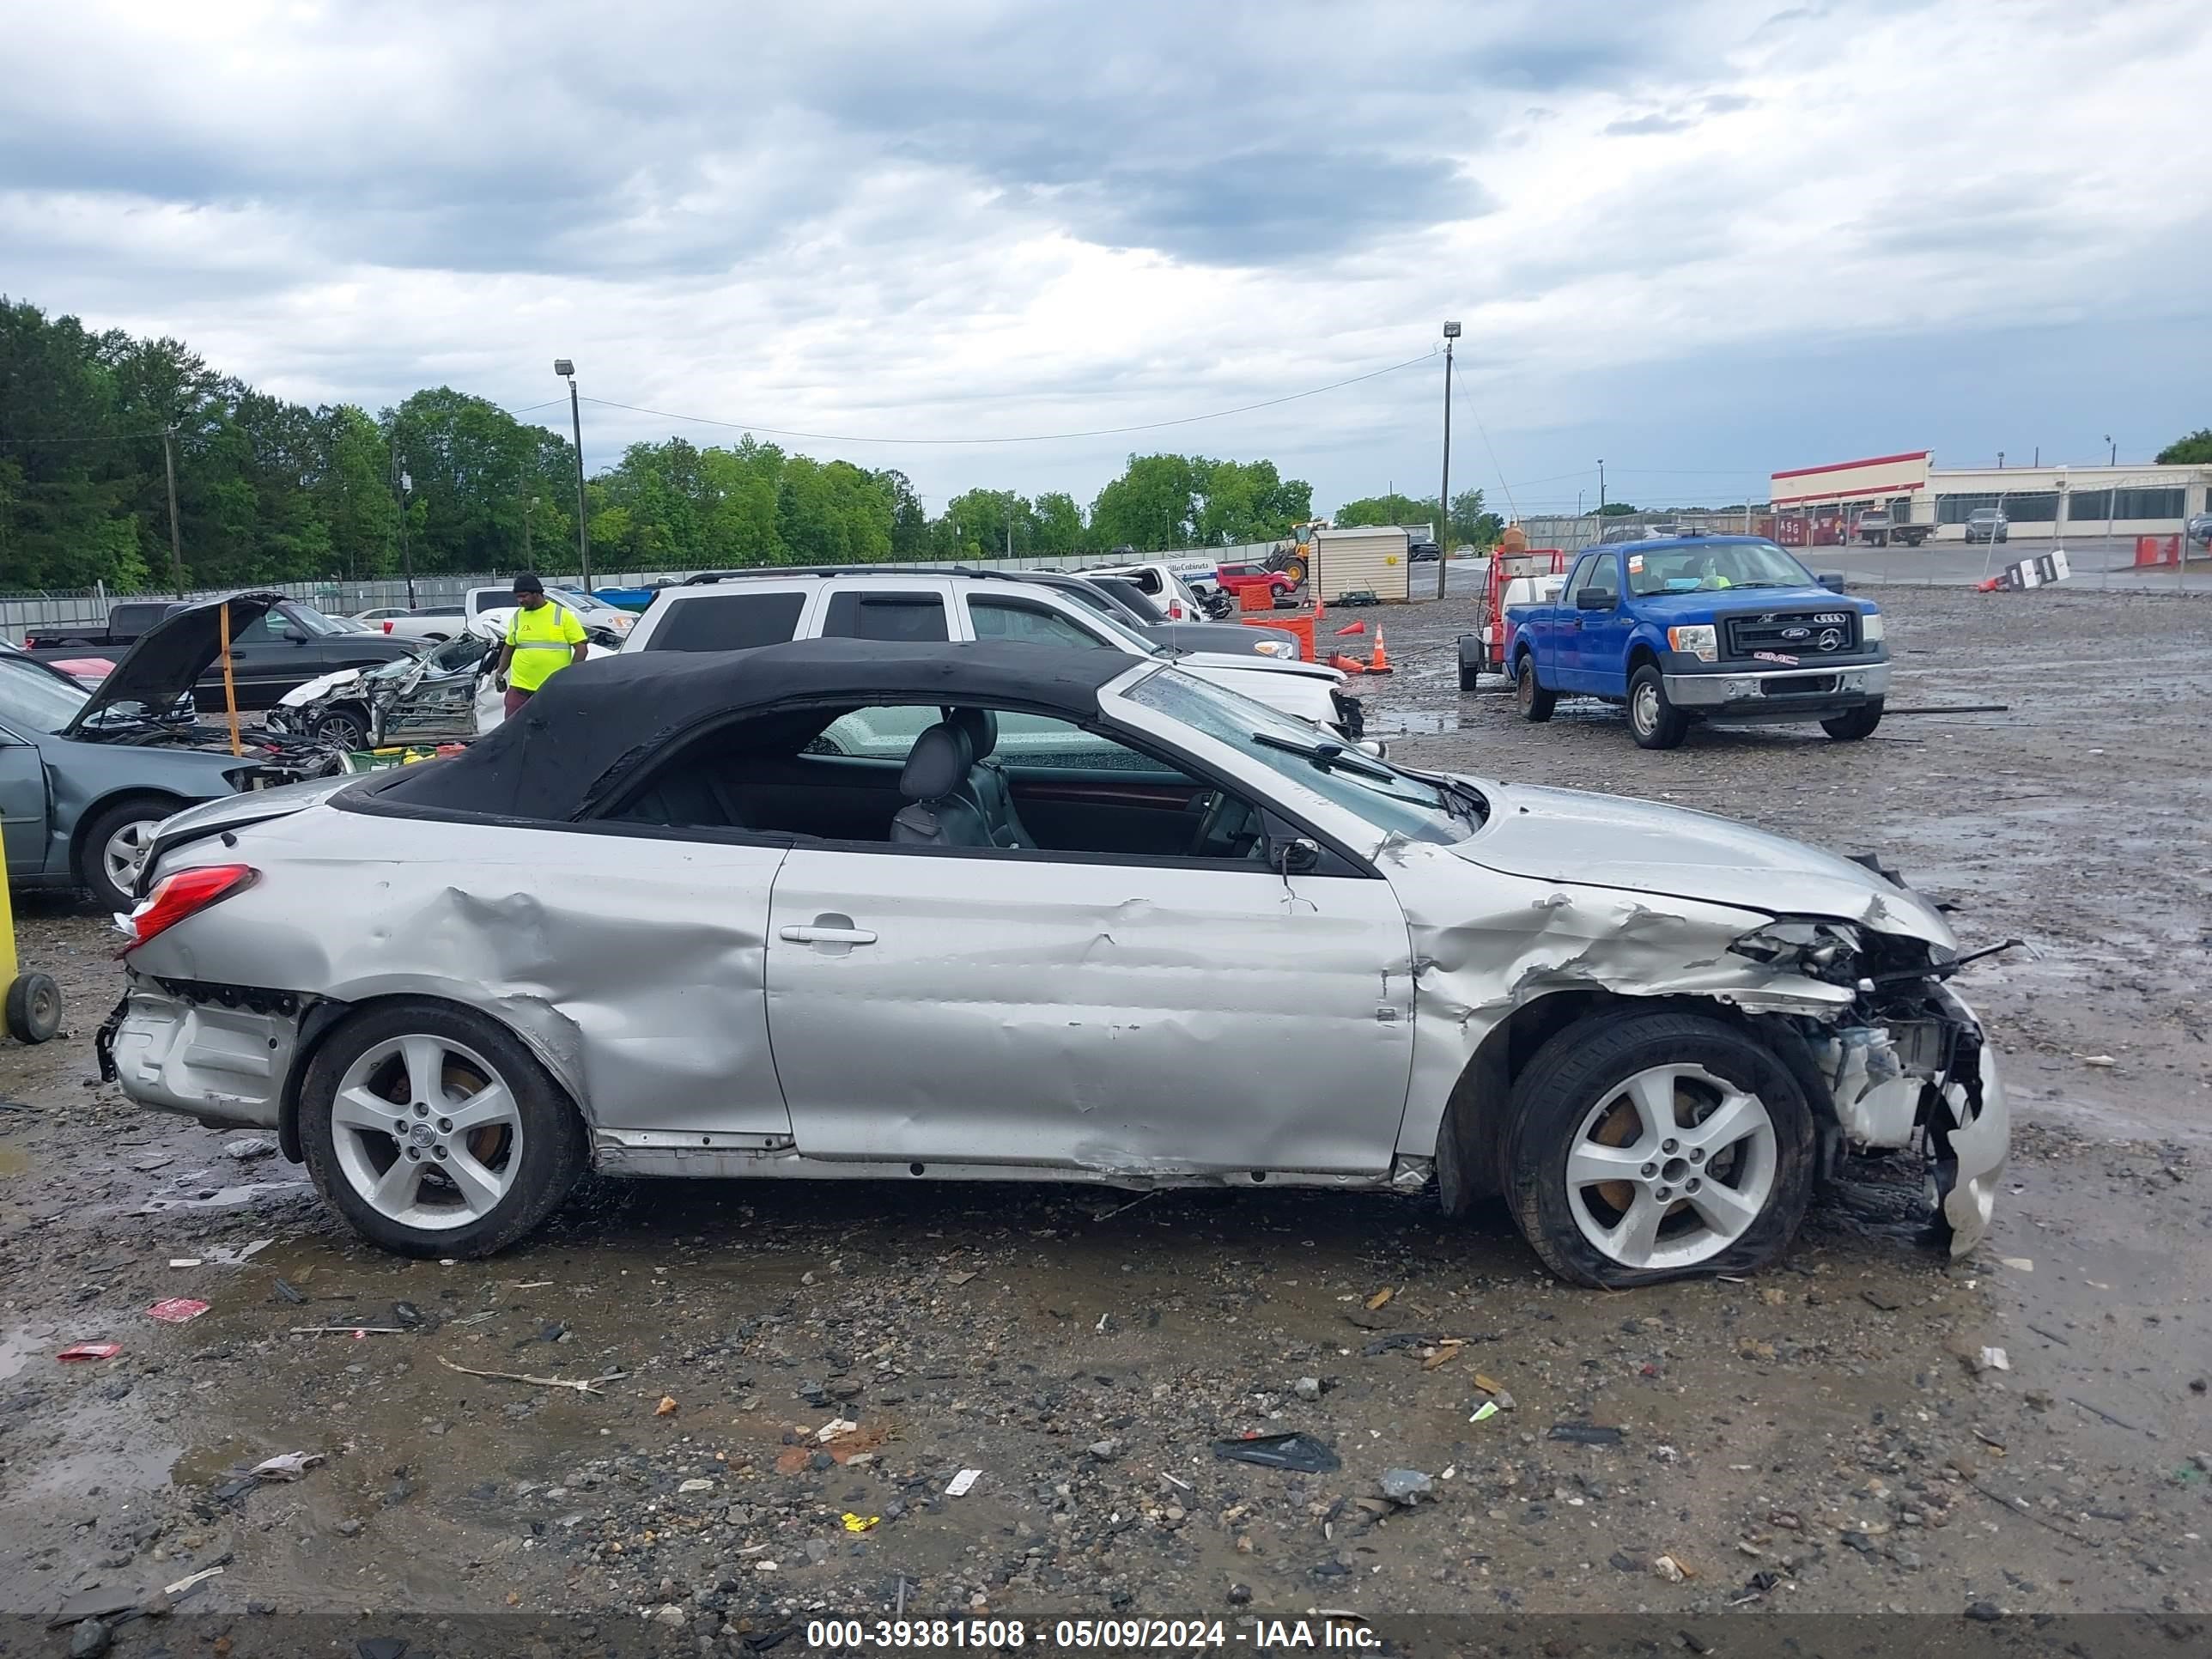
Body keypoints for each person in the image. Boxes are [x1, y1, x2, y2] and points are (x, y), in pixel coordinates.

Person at [492, 573, 588, 718]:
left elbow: (582, 648)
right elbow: (509, 646)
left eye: (524, 596)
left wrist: (570, 676)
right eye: (518, 596)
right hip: (520, 689)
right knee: (513, 730)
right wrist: (500, 672)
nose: (520, 600)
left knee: (551, 730)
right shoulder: (518, 616)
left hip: (552, 689)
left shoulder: (561, 615)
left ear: (537, 594)